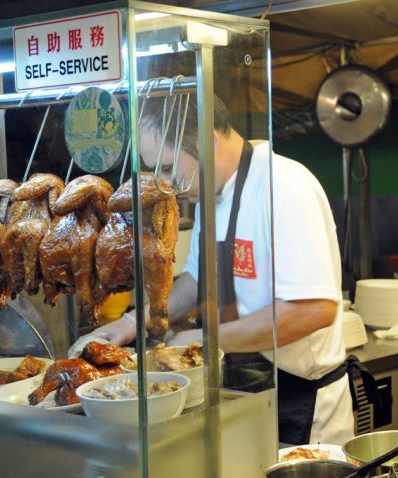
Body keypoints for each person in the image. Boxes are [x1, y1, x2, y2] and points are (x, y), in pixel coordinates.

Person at [71, 95, 354, 446]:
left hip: (300, 408)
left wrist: (210, 341)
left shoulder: (283, 186)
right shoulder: (211, 193)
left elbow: (315, 309)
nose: (164, 183)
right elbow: (196, 280)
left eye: (167, 166)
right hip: (243, 396)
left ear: (209, 142)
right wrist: (132, 322)